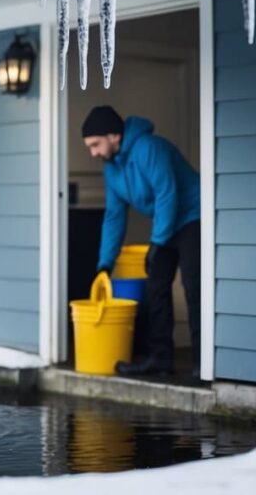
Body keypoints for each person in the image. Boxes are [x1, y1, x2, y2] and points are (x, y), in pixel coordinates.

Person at [82, 105, 201, 377]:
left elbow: (166, 193)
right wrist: (104, 264)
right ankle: (160, 359)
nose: (93, 152)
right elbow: (114, 217)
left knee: (193, 285)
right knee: (155, 287)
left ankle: (201, 362)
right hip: (166, 220)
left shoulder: (148, 147)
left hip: (193, 215)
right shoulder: (111, 169)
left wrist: (157, 243)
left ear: (114, 136)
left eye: (96, 144)